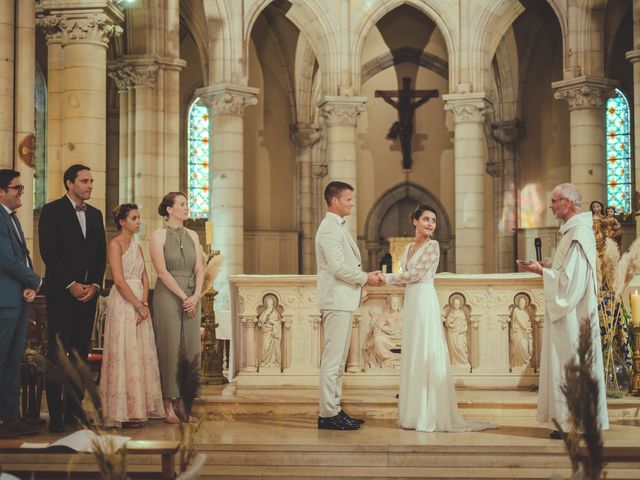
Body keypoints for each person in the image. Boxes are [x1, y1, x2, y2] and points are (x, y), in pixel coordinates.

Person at [384, 205, 494, 432]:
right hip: (412, 303)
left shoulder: (433, 247)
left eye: (433, 221)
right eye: (425, 219)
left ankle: (428, 414)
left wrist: (384, 278)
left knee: (425, 351)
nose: (430, 224)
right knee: (413, 352)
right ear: (414, 220)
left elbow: (414, 276)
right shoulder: (406, 249)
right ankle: (412, 414)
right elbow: (407, 275)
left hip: (424, 300)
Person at [518, 183, 609, 438]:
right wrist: (547, 265)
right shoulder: (573, 233)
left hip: (571, 315)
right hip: (568, 313)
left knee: (571, 362)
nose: (551, 205)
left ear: (568, 202)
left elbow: (571, 283)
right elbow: (567, 271)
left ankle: (573, 422)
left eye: (555, 200)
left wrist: (541, 271)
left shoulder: (579, 233)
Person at [39, 164, 106, 433]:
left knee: (80, 354)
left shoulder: (96, 214)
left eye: (91, 180)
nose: (90, 185)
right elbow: (49, 252)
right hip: (61, 293)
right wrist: (71, 284)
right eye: (84, 181)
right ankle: (56, 414)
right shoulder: (52, 211)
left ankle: (75, 411)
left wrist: (94, 285)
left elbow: (100, 254)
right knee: (58, 353)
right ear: (69, 183)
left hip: (87, 296)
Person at [315, 181, 382, 430]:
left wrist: (365, 275)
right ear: (335, 201)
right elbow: (338, 267)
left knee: (339, 359)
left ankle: (333, 409)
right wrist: (366, 278)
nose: (352, 203)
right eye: (348, 199)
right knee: (333, 360)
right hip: (336, 300)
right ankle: (327, 414)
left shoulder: (336, 227)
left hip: (342, 299)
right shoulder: (330, 229)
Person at [100, 204, 164, 428]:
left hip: (139, 303)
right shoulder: (115, 244)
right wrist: (138, 305)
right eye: (135, 218)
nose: (139, 221)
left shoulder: (137, 246)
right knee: (124, 353)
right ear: (122, 222)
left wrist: (145, 303)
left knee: (140, 354)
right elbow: (118, 279)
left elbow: (145, 277)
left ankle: (139, 408)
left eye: (139, 217)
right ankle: (120, 410)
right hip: (124, 303)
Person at [149, 192, 203, 424]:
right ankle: (167, 402)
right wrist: (183, 296)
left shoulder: (192, 235)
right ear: (169, 209)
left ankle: (185, 402)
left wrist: (196, 295)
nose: (186, 208)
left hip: (192, 294)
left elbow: (200, 268)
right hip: (168, 294)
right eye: (182, 204)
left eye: (187, 204)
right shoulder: (158, 235)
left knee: (190, 348)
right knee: (169, 346)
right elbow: (161, 271)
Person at [0, 169, 42, 438]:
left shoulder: (11, 218)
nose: (21, 192)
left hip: (17, 296)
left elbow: (21, 256)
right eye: (16, 188)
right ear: (1, 191)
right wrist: (36, 280)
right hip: (4, 301)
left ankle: (11, 417)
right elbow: (5, 258)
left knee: (12, 361)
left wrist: (28, 285)